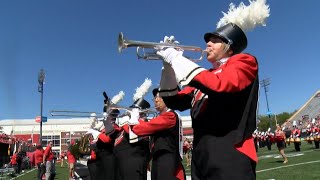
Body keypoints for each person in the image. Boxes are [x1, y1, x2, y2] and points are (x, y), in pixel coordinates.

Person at [154, 0, 270, 177]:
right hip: (201, 155)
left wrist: (176, 58)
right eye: (208, 41)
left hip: (230, 152)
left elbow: (220, 85)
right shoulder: (206, 75)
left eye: (215, 40)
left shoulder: (244, 61)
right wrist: (168, 67)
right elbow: (173, 100)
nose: (207, 44)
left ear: (229, 46)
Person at [130, 88, 186, 180]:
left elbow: (140, 129)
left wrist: (135, 119)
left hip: (166, 160)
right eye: (154, 98)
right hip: (159, 159)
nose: (156, 100)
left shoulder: (170, 115)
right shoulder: (163, 117)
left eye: (159, 97)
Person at [113, 98, 151, 180]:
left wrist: (132, 118)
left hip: (134, 164)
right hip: (123, 163)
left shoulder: (142, 123)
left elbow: (132, 132)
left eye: (134, 109)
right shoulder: (129, 121)